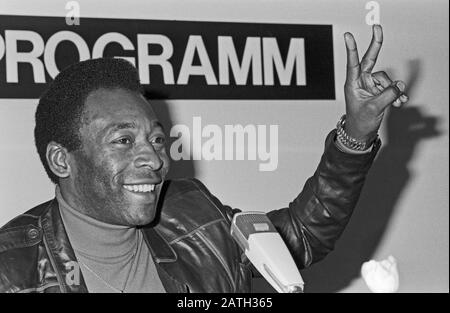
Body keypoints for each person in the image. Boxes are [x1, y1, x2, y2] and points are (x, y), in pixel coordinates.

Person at [0, 25, 407, 293]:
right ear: (61, 160)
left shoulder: (193, 214)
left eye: (157, 140)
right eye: (123, 140)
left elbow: (301, 236)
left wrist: (357, 132)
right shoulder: (11, 269)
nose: (154, 159)